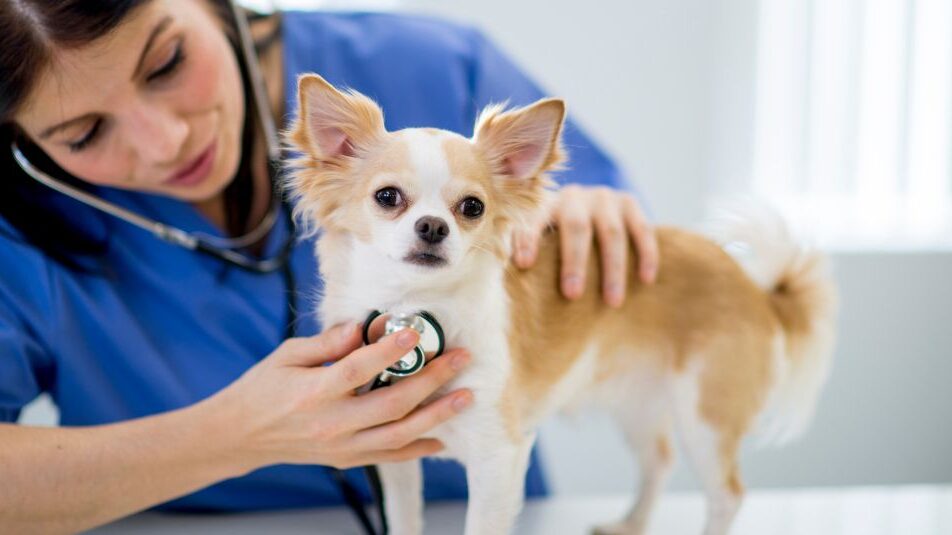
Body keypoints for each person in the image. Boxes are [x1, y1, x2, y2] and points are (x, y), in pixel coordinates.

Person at [0, 0, 660, 532]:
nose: (166, 139)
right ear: (23, 143)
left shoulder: (434, 65)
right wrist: (229, 437)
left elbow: (614, 245)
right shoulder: (18, 238)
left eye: (167, 62)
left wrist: (599, 216)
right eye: (83, 133)